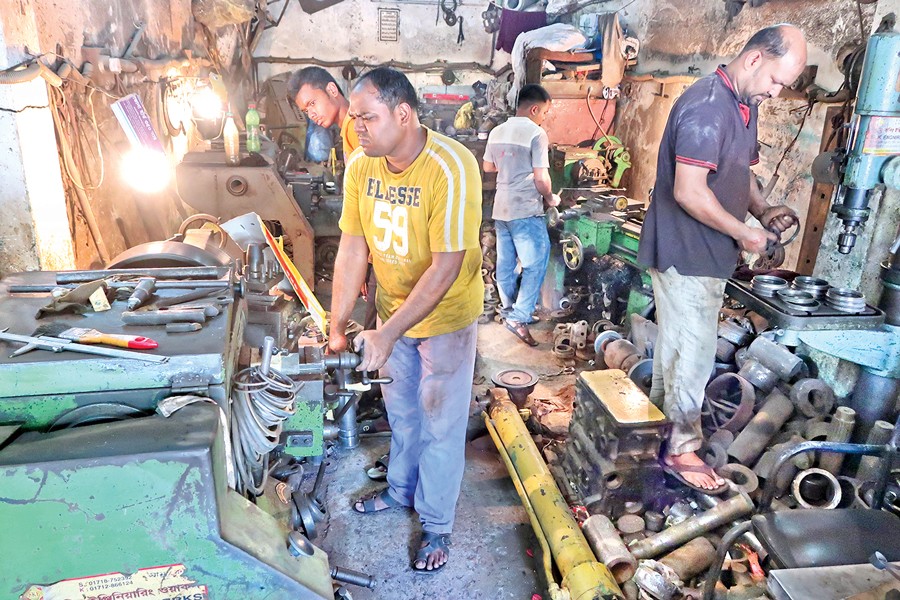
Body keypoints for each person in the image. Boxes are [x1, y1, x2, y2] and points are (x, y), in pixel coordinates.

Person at [637, 24, 807, 494]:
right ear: (754, 59)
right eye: (776, 81)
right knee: (691, 356)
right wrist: (745, 234)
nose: (776, 92)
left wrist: (763, 210)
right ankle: (681, 451)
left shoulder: (743, 104)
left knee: (676, 349)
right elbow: (688, 192)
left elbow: (739, 172)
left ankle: (655, 434)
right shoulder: (707, 107)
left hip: (709, 254)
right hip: (687, 252)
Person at [328, 67, 483, 572]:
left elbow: (447, 265)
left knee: (441, 422)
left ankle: (437, 525)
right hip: (392, 315)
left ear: (403, 114)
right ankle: (400, 491)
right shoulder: (360, 167)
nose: (357, 128)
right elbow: (353, 247)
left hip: (445, 319)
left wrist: (386, 333)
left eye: (367, 117)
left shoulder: (450, 167)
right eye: (353, 118)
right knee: (404, 416)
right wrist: (337, 324)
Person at [483, 84, 560, 347]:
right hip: (525, 209)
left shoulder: (496, 131)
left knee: (505, 262)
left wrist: (509, 165)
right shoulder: (536, 134)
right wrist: (551, 199)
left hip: (501, 209)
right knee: (535, 264)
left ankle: (508, 310)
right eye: (545, 112)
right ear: (535, 108)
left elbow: (488, 167)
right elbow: (541, 178)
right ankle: (519, 317)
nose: (544, 118)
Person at [288, 66, 359, 159]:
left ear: (332, 90)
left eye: (312, 103)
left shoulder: (357, 130)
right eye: (306, 111)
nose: (310, 115)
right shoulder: (348, 129)